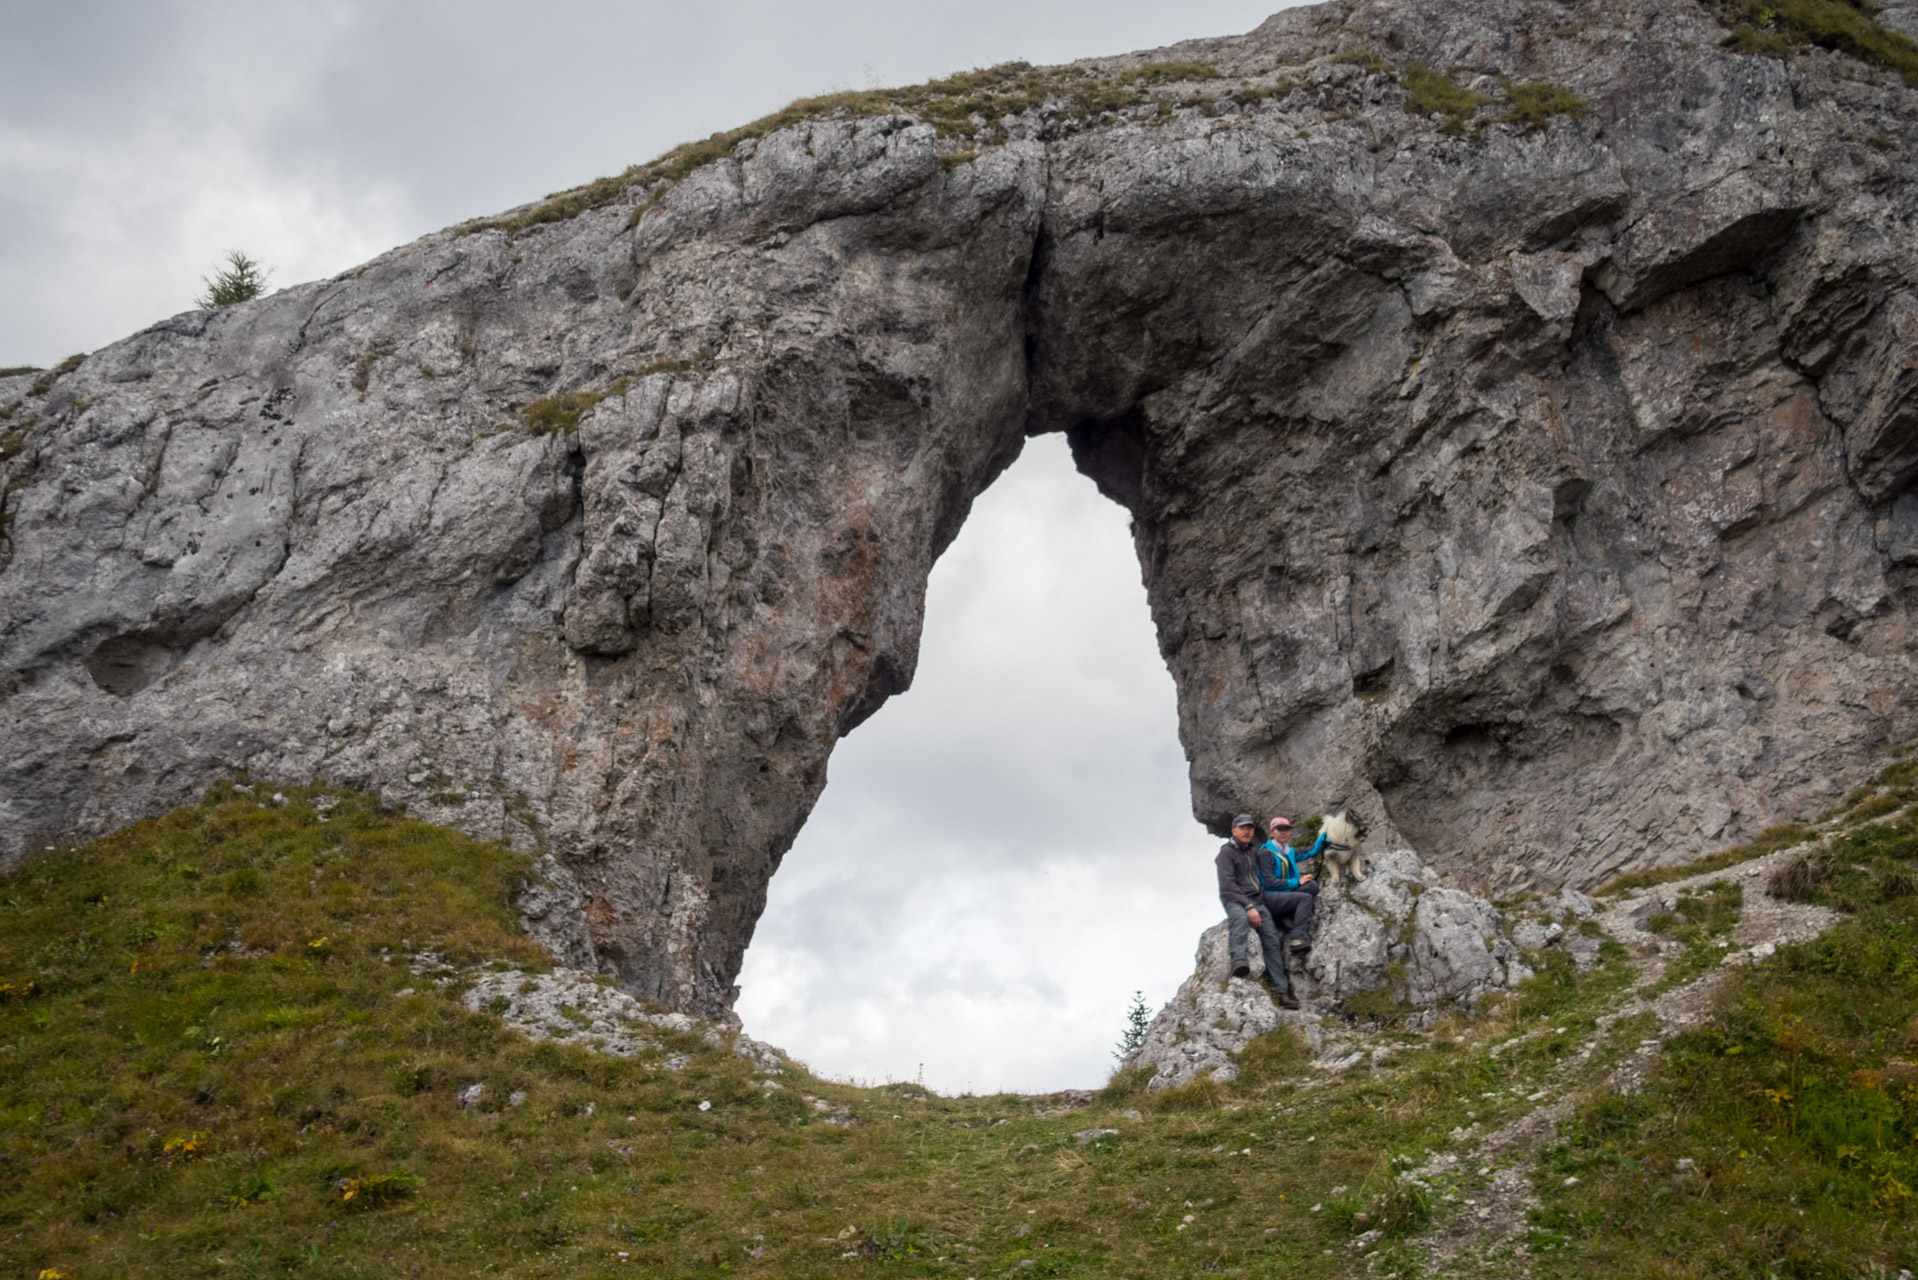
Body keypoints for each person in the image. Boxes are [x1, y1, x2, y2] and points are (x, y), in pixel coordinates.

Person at [1216, 813, 1299, 1009]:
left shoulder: (1254, 851)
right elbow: (1227, 886)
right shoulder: (1225, 854)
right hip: (1235, 899)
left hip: (1257, 899)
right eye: (1243, 827)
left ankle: (1281, 991)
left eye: (1250, 828)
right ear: (1233, 830)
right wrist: (1249, 906)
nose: (1247, 831)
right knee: (1239, 919)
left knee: (1270, 937)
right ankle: (1239, 962)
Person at [1257, 816, 1327, 957]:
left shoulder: (1289, 852)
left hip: (1284, 895)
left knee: (1312, 886)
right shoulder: (1265, 853)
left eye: (1287, 830)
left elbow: (1311, 850)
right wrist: (1297, 882)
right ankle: (1296, 938)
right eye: (1280, 829)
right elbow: (1270, 882)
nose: (1284, 832)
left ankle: (1285, 917)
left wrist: (1327, 833)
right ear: (1272, 833)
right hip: (1269, 898)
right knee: (1305, 898)